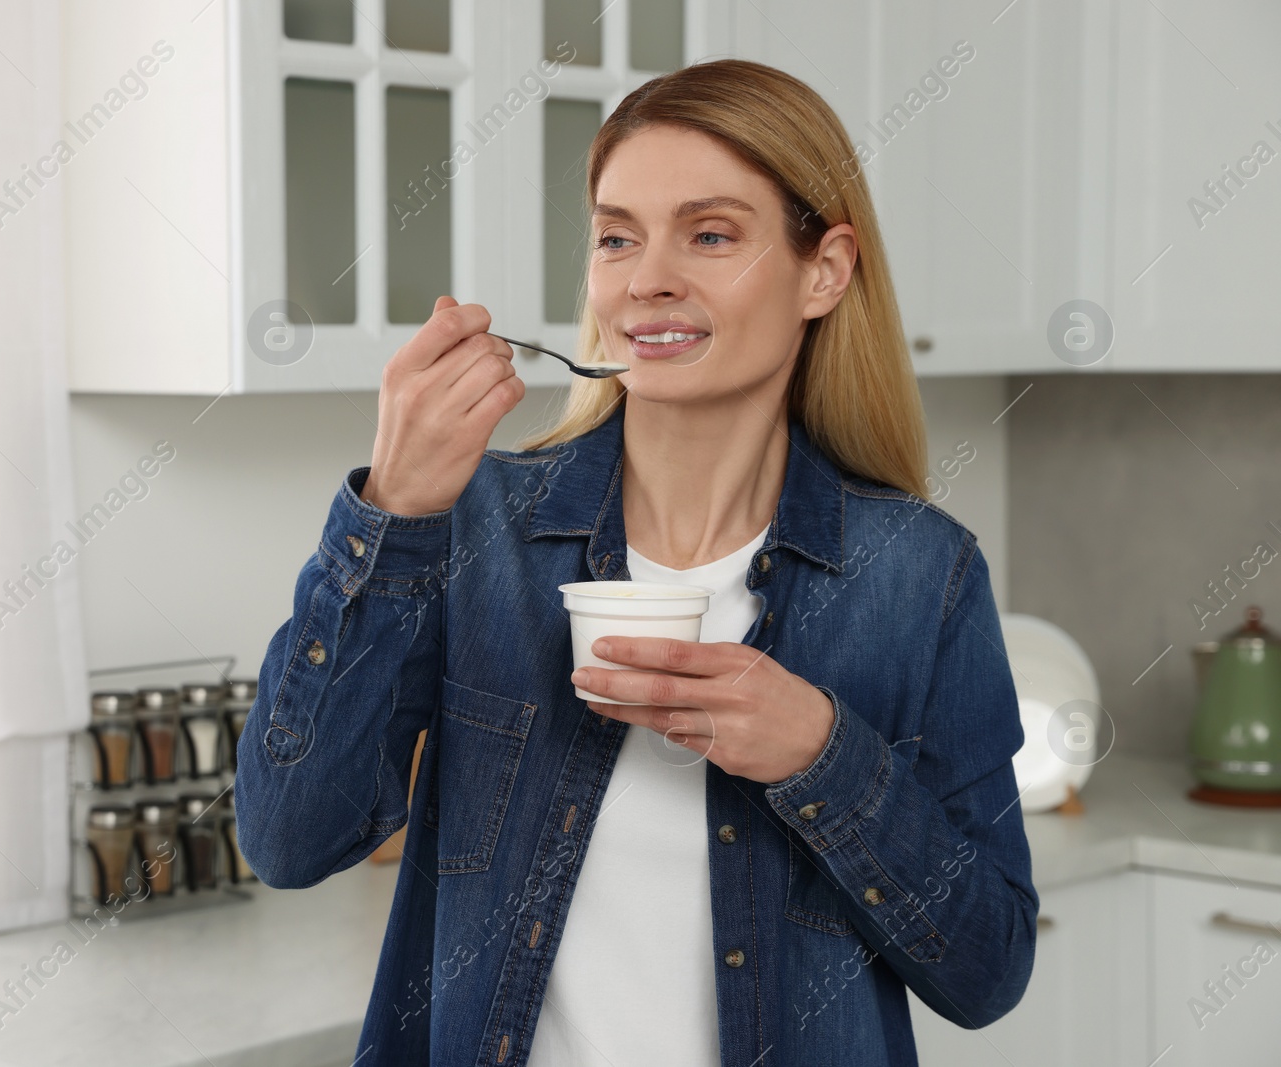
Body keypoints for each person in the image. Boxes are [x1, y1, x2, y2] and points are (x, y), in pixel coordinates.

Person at [234, 57, 1037, 1067]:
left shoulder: (922, 576)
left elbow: (988, 968)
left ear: (824, 270)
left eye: (709, 234)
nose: (645, 277)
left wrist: (821, 755)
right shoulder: (473, 526)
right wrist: (391, 511)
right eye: (617, 236)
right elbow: (289, 839)